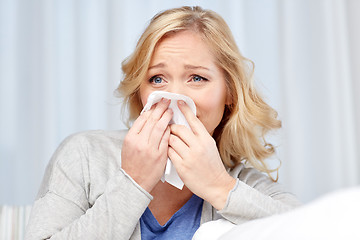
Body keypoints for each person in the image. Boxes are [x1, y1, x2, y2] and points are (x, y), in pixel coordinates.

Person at [25, 6, 301, 240]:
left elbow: (307, 229)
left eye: (197, 78)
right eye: (157, 79)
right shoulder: (84, 155)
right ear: (140, 91)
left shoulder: (243, 183)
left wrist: (219, 187)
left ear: (229, 92)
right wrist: (133, 184)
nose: (175, 96)